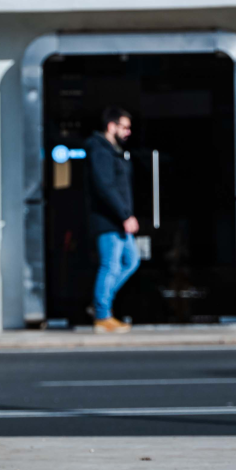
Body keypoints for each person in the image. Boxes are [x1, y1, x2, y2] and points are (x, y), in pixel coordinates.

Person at [86, 107, 140, 333]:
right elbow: (105, 187)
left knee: (131, 260)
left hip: (117, 220)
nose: (128, 131)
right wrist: (125, 215)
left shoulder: (112, 150)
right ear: (111, 126)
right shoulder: (100, 151)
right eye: (124, 127)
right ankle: (102, 315)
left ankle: (100, 302)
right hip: (108, 220)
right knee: (111, 265)